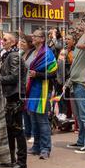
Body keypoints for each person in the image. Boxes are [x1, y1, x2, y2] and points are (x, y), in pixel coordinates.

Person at [65, 21, 85, 154]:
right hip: (76, 84)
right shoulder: (78, 47)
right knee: (79, 116)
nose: (77, 32)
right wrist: (68, 83)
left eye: (80, 30)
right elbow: (75, 67)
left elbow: (79, 44)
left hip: (84, 85)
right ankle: (81, 141)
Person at [24, 29, 57, 160]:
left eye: (36, 36)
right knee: (33, 118)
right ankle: (36, 146)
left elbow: (54, 73)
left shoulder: (47, 53)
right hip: (31, 88)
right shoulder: (32, 51)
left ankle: (45, 148)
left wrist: (38, 75)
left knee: (42, 120)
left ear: (42, 39)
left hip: (42, 89)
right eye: (33, 35)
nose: (33, 37)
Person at [0, 32, 27, 168]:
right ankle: (12, 160)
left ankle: (22, 164)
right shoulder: (9, 55)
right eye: (2, 39)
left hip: (15, 97)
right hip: (11, 96)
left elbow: (14, 77)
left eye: (5, 39)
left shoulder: (14, 56)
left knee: (17, 130)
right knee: (11, 130)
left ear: (13, 42)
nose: (2, 41)